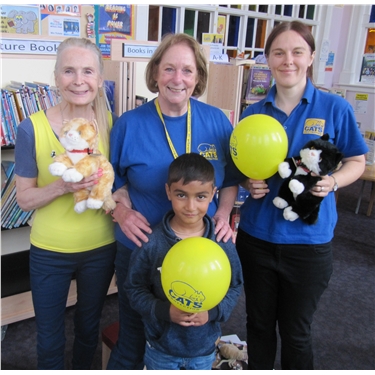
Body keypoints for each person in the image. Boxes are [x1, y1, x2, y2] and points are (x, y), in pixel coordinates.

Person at [235, 21, 368, 370]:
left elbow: (356, 160)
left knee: (296, 333)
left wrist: (335, 182)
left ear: (310, 57)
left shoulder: (334, 108)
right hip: (257, 238)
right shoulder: (253, 113)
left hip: (309, 242)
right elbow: (241, 167)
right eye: (278, 52)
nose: (288, 60)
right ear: (268, 58)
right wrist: (250, 183)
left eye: (297, 52)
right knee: (259, 326)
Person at [107, 33, 241, 369]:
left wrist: (224, 214)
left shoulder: (217, 122)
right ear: (154, 74)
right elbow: (109, 182)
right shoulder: (128, 124)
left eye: (187, 70)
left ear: (198, 78)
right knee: (134, 334)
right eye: (168, 69)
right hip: (142, 247)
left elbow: (233, 179)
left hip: (201, 251)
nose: (177, 79)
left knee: (194, 333)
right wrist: (121, 213)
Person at [14, 37, 117, 370]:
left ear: (99, 80)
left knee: (89, 328)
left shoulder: (110, 124)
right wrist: (60, 186)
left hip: (101, 247)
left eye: (88, 71)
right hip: (49, 250)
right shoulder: (31, 128)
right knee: (49, 336)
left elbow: (118, 182)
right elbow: (24, 198)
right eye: (69, 71)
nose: (78, 80)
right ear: (56, 76)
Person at [125, 152, 243, 370]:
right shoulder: (152, 242)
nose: (190, 206)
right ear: (168, 191)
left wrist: (213, 313)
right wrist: (163, 311)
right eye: (181, 195)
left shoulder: (221, 241)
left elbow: (235, 285)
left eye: (200, 196)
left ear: (213, 194)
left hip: (204, 348)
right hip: (161, 348)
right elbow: (134, 288)